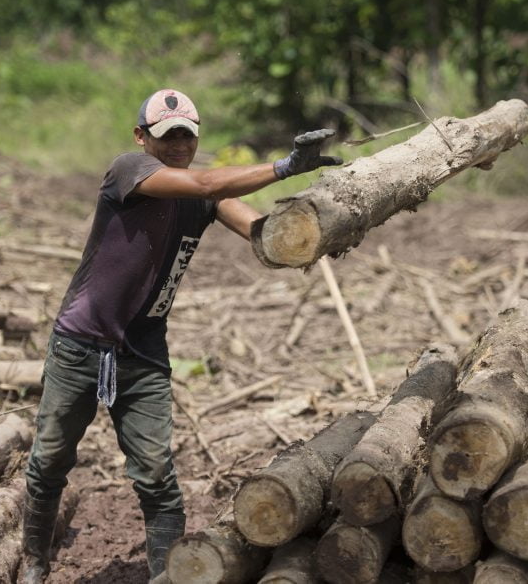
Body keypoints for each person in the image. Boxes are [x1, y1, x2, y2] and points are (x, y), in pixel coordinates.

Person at [20, 88, 342, 582]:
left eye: (186, 138)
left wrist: (324, 225)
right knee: (48, 463)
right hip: (79, 345)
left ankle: (165, 578)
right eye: (167, 136)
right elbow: (208, 182)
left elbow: (263, 235)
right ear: (141, 137)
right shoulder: (129, 170)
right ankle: (35, 565)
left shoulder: (206, 198)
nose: (177, 146)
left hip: (142, 355)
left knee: (156, 477)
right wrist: (283, 166)